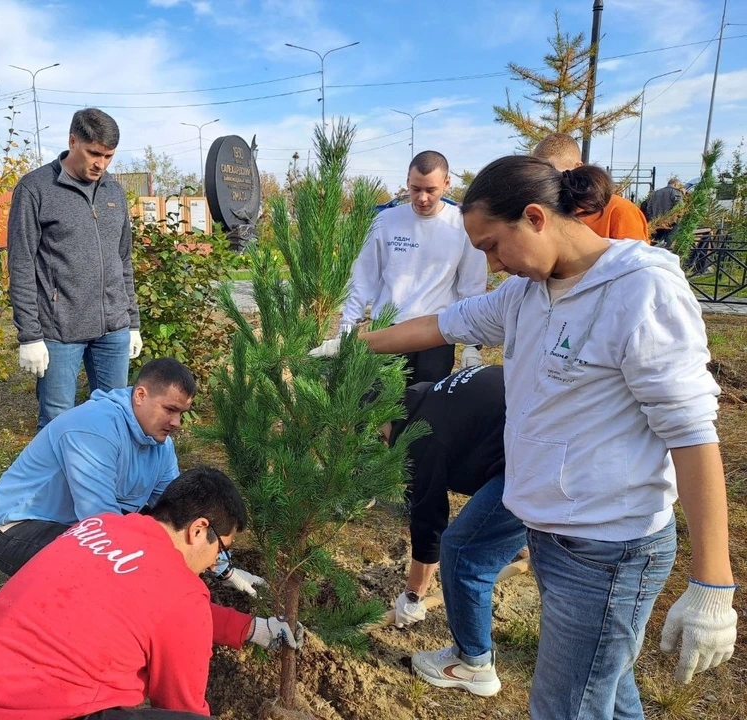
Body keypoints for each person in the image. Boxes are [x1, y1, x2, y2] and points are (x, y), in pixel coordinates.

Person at [311, 156, 737, 718]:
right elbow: (442, 323)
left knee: (564, 707)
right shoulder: (527, 295)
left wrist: (713, 584)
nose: (491, 264)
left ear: (535, 218)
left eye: (491, 246)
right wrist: (351, 345)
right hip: (552, 533)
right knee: (607, 693)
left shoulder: (637, 291)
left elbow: (692, 434)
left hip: (606, 549)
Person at [0, 467, 304, 720]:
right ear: (198, 530)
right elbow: (181, 706)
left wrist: (252, 628)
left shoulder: (102, 525)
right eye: (221, 549)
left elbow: (156, 604)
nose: (215, 562)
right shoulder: (181, 594)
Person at [0, 358, 263, 596]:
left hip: (76, 525)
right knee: (109, 569)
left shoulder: (160, 445)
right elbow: (101, 527)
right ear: (140, 395)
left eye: (182, 413)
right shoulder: (92, 431)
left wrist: (221, 564)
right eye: (170, 410)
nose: (177, 423)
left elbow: (179, 516)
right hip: (16, 529)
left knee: (144, 551)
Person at [386, 365, 525, 698]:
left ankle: (473, 664)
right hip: (552, 436)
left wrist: (413, 596)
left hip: (537, 461)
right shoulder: (424, 393)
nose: (383, 446)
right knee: (495, 524)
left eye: (379, 437)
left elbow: (429, 523)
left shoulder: (419, 439)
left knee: (463, 553)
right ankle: (525, 535)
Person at [8, 108, 142, 431]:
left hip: (113, 330)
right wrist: (29, 336)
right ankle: (58, 484)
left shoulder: (114, 192)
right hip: (59, 332)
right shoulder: (35, 189)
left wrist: (132, 321)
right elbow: (21, 264)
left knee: (115, 421)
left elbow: (123, 259)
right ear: (73, 141)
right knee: (57, 426)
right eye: (94, 153)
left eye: (109, 156)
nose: (101, 164)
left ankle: (103, 482)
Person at [340, 151, 488, 384]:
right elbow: (364, 277)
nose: (422, 198)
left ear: (446, 183)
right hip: (387, 330)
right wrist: (346, 329)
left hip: (436, 335)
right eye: (416, 188)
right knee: (379, 411)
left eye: (431, 190)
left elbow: (472, 286)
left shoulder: (461, 224)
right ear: (407, 181)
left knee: (424, 408)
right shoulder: (386, 221)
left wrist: (473, 345)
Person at [531, 133, 649, 243]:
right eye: (540, 176)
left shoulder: (619, 211)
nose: (547, 183)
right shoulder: (538, 210)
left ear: (578, 167)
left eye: (556, 175)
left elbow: (636, 262)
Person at [643, 177, 686, 248]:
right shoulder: (676, 192)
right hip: (670, 224)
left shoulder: (656, 193)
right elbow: (680, 208)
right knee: (667, 243)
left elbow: (649, 208)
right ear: (675, 184)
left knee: (656, 243)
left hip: (657, 222)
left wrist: (653, 218)